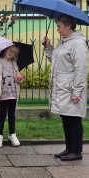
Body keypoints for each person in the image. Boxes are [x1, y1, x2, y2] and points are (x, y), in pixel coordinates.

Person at [42, 14, 87, 161]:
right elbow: (56, 61)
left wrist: (76, 92)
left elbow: (80, 69)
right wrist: (49, 48)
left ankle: (76, 151)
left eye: (59, 26)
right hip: (62, 87)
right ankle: (69, 148)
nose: (57, 29)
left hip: (70, 88)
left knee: (73, 118)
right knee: (65, 117)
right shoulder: (64, 42)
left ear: (68, 26)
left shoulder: (78, 44)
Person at [0, 45, 23, 148]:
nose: (10, 53)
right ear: (5, 50)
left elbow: (19, 80)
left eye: (13, 52)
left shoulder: (14, 64)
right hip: (3, 93)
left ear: (15, 55)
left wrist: (19, 78)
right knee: (2, 114)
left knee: (12, 115)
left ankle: (12, 134)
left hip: (13, 93)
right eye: (9, 50)